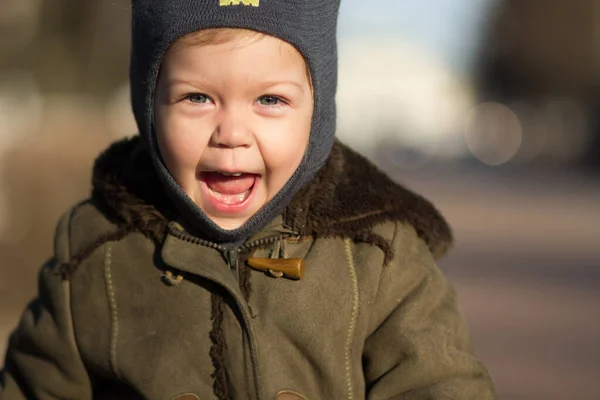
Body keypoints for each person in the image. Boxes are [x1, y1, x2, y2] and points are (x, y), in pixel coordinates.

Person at [0, 1, 495, 399]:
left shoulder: (378, 252)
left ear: (316, 114)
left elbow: (438, 384)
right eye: (197, 98)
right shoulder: (97, 252)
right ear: (148, 105)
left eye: (270, 100)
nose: (232, 133)